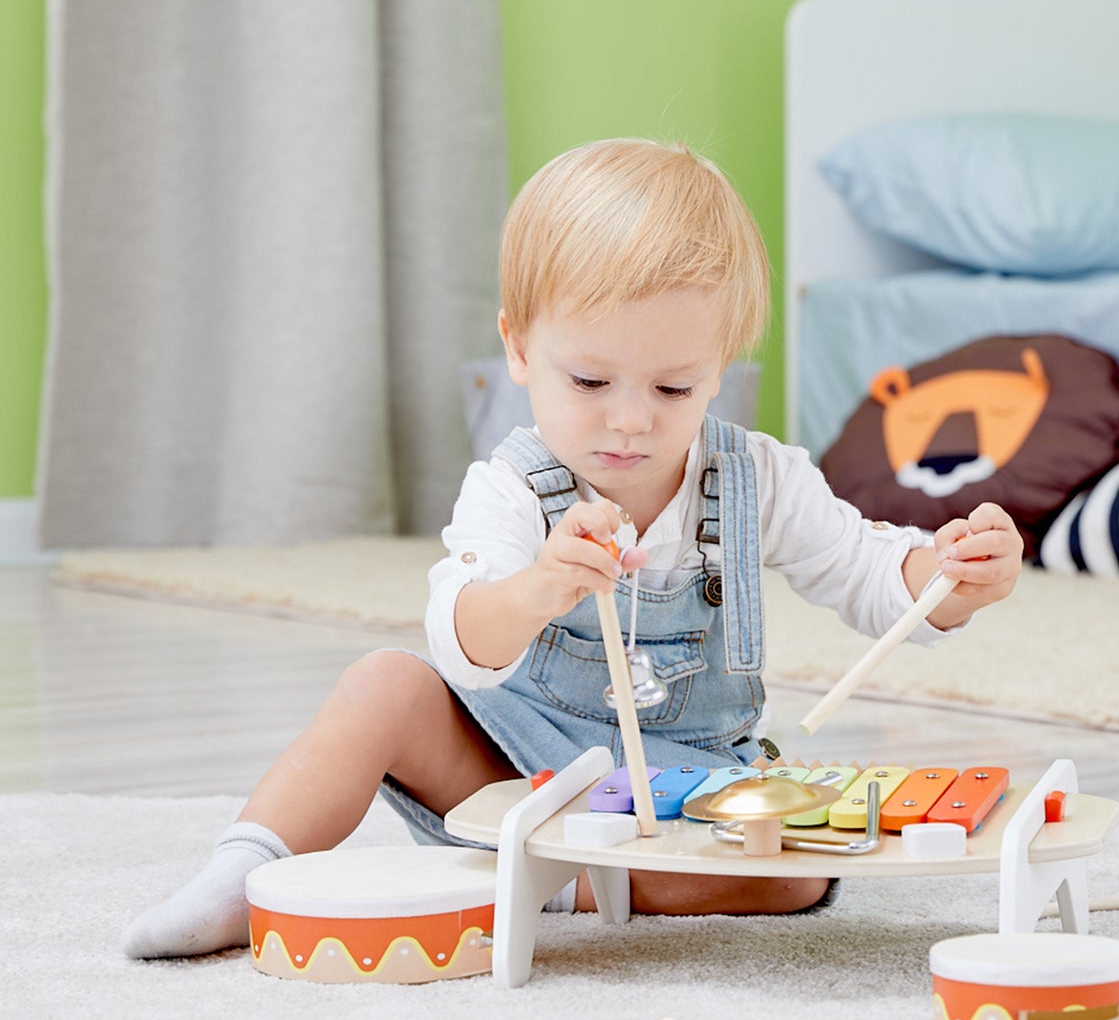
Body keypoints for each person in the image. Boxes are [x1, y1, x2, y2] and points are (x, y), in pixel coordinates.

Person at [123, 138, 1024, 958]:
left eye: (674, 386)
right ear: (517, 346)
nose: (629, 419)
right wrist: (539, 586)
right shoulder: (513, 485)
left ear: (721, 367)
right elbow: (461, 637)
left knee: (795, 874)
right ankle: (241, 876)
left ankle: (556, 888)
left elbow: (874, 579)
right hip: (514, 769)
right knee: (382, 684)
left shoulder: (760, 477)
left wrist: (948, 575)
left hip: (685, 790)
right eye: (589, 379)